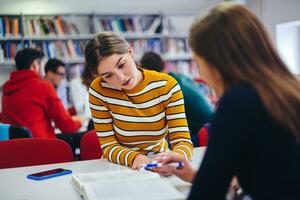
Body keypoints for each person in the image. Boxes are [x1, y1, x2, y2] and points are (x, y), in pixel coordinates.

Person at [152, 2, 300, 200]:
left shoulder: (238, 101)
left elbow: (207, 192)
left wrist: (205, 179)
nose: (201, 74)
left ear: (215, 60)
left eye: (198, 62)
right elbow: (272, 174)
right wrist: (195, 175)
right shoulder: (288, 89)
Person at [85, 31, 193, 169]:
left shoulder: (167, 85)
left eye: (121, 64)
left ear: (130, 52)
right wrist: (135, 157)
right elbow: (108, 145)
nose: (121, 77)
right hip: (118, 165)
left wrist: (174, 159)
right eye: (108, 76)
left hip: (159, 160)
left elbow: (182, 141)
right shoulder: (98, 90)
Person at [1, 48, 82, 138]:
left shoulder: (6, 89)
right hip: (41, 147)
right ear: (35, 64)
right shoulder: (43, 86)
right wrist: (80, 122)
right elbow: (67, 126)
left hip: (14, 149)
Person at [140, 51, 214, 146]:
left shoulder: (166, 87)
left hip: (205, 133)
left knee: (162, 147)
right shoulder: (178, 76)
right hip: (212, 124)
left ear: (148, 71)